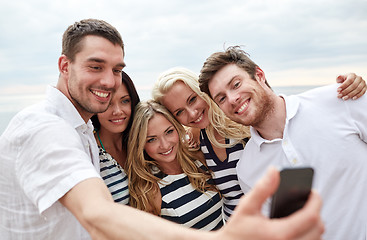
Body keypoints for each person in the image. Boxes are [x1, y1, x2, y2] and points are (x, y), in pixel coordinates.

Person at [0, 18, 325, 240]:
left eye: (117, 69)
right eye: (95, 66)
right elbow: (96, 213)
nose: (109, 81)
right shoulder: (42, 126)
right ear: (64, 66)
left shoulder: (85, 132)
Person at [152, 66, 365, 221]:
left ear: (204, 95)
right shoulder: (196, 143)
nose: (192, 113)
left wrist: (354, 84)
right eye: (179, 112)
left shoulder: (245, 122)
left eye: (192, 100)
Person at [198, 46, 367, 240]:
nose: (233, 99)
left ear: (259, 75)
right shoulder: (247, 170)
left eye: (236, 84)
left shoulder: (340, 99)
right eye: (221, 98)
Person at [126, 100, 223, 230]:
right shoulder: (150, 190)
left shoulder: (198, 158)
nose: (165, 145)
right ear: (141, 144)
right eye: (152, 139)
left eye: (169, 132)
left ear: (177, 128)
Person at [91, 71, 140, 204]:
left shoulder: (141, 141)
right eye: (108, 102)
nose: (117, 111)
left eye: (125, 101)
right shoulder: (89, 153)